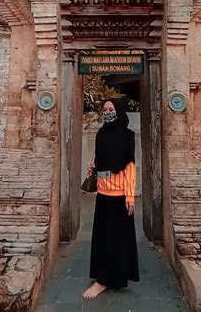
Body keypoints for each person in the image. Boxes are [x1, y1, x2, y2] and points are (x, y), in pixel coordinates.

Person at [82, 98, 140, 299]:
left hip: (120, 196)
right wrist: (93, 168)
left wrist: (130, 196)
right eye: (105, 109)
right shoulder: (101, 133)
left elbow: (130, 167)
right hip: (103, 193)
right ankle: (105, 277)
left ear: (119, 111)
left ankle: (105, 280)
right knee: (102, 238)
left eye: (111, 109)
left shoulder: (127, 136)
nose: (107, 112)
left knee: (117, 240)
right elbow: (98, 159)